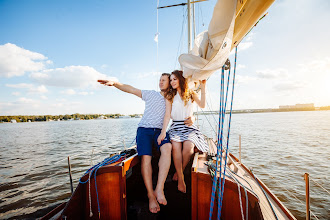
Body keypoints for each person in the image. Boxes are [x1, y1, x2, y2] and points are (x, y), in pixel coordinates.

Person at [97, 74, 194, 213]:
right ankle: (150, 195)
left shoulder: (173, 99)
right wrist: (115, 83)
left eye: (164, 80)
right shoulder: (151, 94)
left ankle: (159, 189)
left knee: (168, 148)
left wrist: (192, 118)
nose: (160, 82)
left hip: (160, 131)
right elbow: (130, 89)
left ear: (170, 83)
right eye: (159, 80)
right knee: (146, 159)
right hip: (144, 130)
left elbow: (187, 110)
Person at [157, 70, 209, 193]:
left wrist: (203, 86)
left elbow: (202, 105)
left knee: (189, 148)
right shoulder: (170, 96)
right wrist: (163, 131)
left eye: (174, 79)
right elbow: (167, 115)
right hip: (176, 126)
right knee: (176, 147)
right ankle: (181, 179)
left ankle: (179, 171)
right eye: (171, 80)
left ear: (181, 79)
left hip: (188, 126)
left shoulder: (190, 94)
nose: (172, 82)